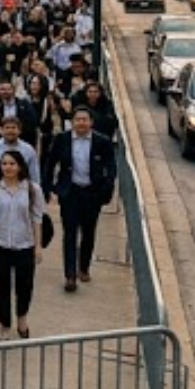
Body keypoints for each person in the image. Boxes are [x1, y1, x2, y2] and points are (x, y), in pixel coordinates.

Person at [42, 106, 117, 292]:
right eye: (78, 119)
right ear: (72, 122)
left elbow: (111, 168)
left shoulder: (103, 142)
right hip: (70, 192)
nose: (81, 123)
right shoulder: (62, 139)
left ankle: (84, 267)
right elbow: (50, 164)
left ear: (91, 122)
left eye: (85, 120)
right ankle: (70, 275)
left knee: (88, 232)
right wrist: (49, 188)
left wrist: (105, 191)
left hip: (92, 194)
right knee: (69, 233)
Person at [0, 150, 46, 340]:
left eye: (12, 164)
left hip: (24, 244)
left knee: (25, 286)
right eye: (4, 164)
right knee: (3, 285)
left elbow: (37, 218)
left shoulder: (32, 189)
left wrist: (38, 246)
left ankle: (22, 318)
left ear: (20, 166)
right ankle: (4, 323)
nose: (8, 167)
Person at [0, 114, 40, 190]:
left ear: (19, 131)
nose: (10, 131)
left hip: (22, 192)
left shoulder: (29, 150)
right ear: (1, 130)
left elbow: (34, 177)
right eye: (7, 128)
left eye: (13, 128)